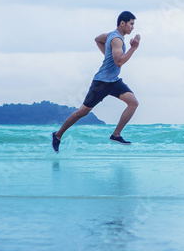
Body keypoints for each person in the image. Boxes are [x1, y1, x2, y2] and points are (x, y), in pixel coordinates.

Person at [52, 11, 141, 151]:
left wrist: (107, 55)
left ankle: (116, 134)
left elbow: (98, 39)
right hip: (102, 83)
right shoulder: (117, 39)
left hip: (114, 81)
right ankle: (57, 135)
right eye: (131, 24)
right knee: (83, 112)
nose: (132, 27)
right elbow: (118, 62)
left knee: (133, 103)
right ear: (122, 23)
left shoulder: (110, 35)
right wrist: (133, 48)